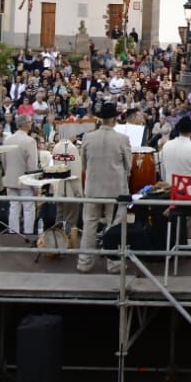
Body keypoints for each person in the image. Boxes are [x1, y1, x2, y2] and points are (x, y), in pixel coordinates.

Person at [76, 102, 133, 273]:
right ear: (115, 119)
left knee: (89, 224)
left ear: (101, 119)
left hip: (92, 189)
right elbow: (129, 166)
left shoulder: (87, 138)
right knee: (113, 226)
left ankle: (84, 262)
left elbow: (83, 166)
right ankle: (113, 263)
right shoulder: (122, 139)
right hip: (114, 191)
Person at [3, 115, 39, 236]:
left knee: (14, 207)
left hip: (11, 179)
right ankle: (28, 234)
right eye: (30, 121)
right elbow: (32, 166)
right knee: (28, 208)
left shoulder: (7, 140)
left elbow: (4, 161)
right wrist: (35, 185)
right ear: (25, 124)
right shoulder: (30, 141)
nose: (31, 123)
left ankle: (13, 235)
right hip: (25, 180)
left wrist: (8, 174)